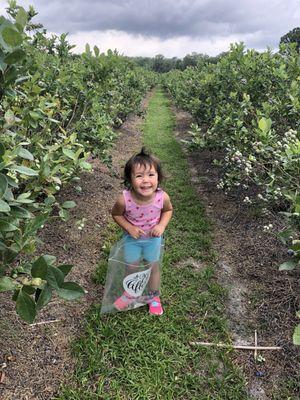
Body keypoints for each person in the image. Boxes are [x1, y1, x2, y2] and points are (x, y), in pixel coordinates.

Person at [111, 147, 173, 315]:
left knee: (153, 267)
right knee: (131, 266)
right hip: (132, 240)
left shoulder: (162, 197)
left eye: (151, 175)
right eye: (139, 176)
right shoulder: (124, 199)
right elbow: (116, 214)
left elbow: (168, 211)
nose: (146, 180)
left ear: (158, 177)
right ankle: (130, 293)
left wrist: (161, 226)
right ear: (130, 180)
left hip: (153, 239)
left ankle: (153, 296)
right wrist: (129, 227)